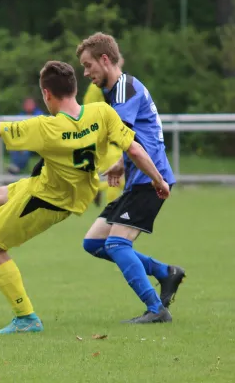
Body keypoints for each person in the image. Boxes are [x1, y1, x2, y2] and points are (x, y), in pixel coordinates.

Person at [0, 60, 171, 334]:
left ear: (46, 94)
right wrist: (159, 180)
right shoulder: (102, 113)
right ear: (74, 88)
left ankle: (26, 317)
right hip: (48, 185)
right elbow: (134, 149)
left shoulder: (46, 128)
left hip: (49, 201)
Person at [76, 32, 185, 323]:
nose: (86, 73)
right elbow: (138, 139)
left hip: (150, 180)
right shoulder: (118, 91)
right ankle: (165, 272)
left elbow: (127, 140)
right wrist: (121, 166)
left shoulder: (123, 88)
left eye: (88, 66)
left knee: (116, 245)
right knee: (94, 243)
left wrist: (158, 180)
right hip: (140, 177)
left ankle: (156, 309)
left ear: (105, 59)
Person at [83, 65, 125, 206]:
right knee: (115, 178)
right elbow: (91, 114)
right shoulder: (97, 88)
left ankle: (97, 191)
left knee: (115, 178)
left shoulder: (120, 85)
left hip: (112, 139)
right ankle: (111, 212)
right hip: (105, 140)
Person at [7, 97, 44, 174]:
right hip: (23, 139)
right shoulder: (21, 115)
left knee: (24, 149)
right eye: (27, 104)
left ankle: (16, 168)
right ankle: (15, 167)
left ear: (34, 105)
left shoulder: (39, 114)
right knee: (13, 145)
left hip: (37, 139)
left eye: (30, 104)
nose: (29, 106)